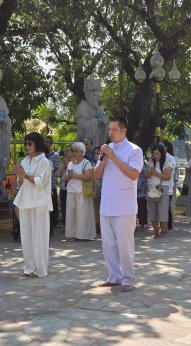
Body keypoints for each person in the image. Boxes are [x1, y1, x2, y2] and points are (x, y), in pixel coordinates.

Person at [94, 116, 143, 293]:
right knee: (108, 245)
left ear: (124, 131)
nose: (110, 133)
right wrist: (105, 159)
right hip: (107, 204)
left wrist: (114, 158)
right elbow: (96, 175)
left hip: (124, 206)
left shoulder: (135, 150)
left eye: (114, 130)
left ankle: (128, 278)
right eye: (109, 129)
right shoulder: (106, 150)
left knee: (125, 244)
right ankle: (114, 276)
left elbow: (133, 174)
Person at [13, 132, 52, 278]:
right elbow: (21, 183)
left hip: (39, 202)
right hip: (26, 201)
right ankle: (29, 268)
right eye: (26, 143)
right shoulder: (24, 161)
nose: (27, 146)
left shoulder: (44, 162)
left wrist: (25, 175)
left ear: (38, 144)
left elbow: (41, 182)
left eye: (30, 143)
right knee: (26, 237)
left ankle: (41, 270)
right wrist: (19, 174)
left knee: (39, 237)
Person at [65, 142, 96, 240]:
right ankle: (72, 234)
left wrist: (74, 175)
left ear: (82, 152)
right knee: (71, 213)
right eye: (73, 151)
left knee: (82, 214)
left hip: (82, 190)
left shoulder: (86, 163)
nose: (74, 153)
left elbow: (88, 176)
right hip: (71, 190)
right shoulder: (70, 164)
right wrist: (67, 177)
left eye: (76, 151)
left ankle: (84, 235)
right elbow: (65, 177)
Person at [144, 144, 173, 238]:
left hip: (162, 188)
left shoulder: (167, 163)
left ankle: (163, 232)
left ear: (162, 154)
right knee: (152, 211)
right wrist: (149, 172)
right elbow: (145, 176)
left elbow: (168, 177)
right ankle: (155, 232)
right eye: (154, 153)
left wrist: (156, 173)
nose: (155, 155)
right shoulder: (150, 162)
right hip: (151, 188)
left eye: (157, 153)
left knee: (162, 211)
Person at [44, 136, 60, 228]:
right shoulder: (41, 154)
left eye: (47, 142)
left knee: (53, 204)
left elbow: (56, 167)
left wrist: (48, 174)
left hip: (51, 183)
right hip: (43, 184)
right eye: (44, 142)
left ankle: (54, 222)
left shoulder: (55, 155)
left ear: (51, 144)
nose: (45, 144)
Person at [162, 140, 176, 230]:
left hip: (168, 185)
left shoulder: (170, 158)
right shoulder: (157, 158)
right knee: (161, 207)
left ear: (166, 147)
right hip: (159, 186)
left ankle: (168, 226)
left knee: (166, 207)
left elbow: (168, 173)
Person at [56, 145, 72, 227]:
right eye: (66, 151)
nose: (67, 152)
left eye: (68, 150)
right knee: (64, 207)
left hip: (72, 188)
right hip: (63, 188)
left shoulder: (76, 161)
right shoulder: (63, 161)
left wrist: (68, 164)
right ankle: (65, 225)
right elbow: (58, 173)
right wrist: (64, 165)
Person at [137, 164, 148, 229]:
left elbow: (146, 177)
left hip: (141, 193)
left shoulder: (143, 165)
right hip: (131, 193)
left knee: (142, 209)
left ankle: (142, 224)